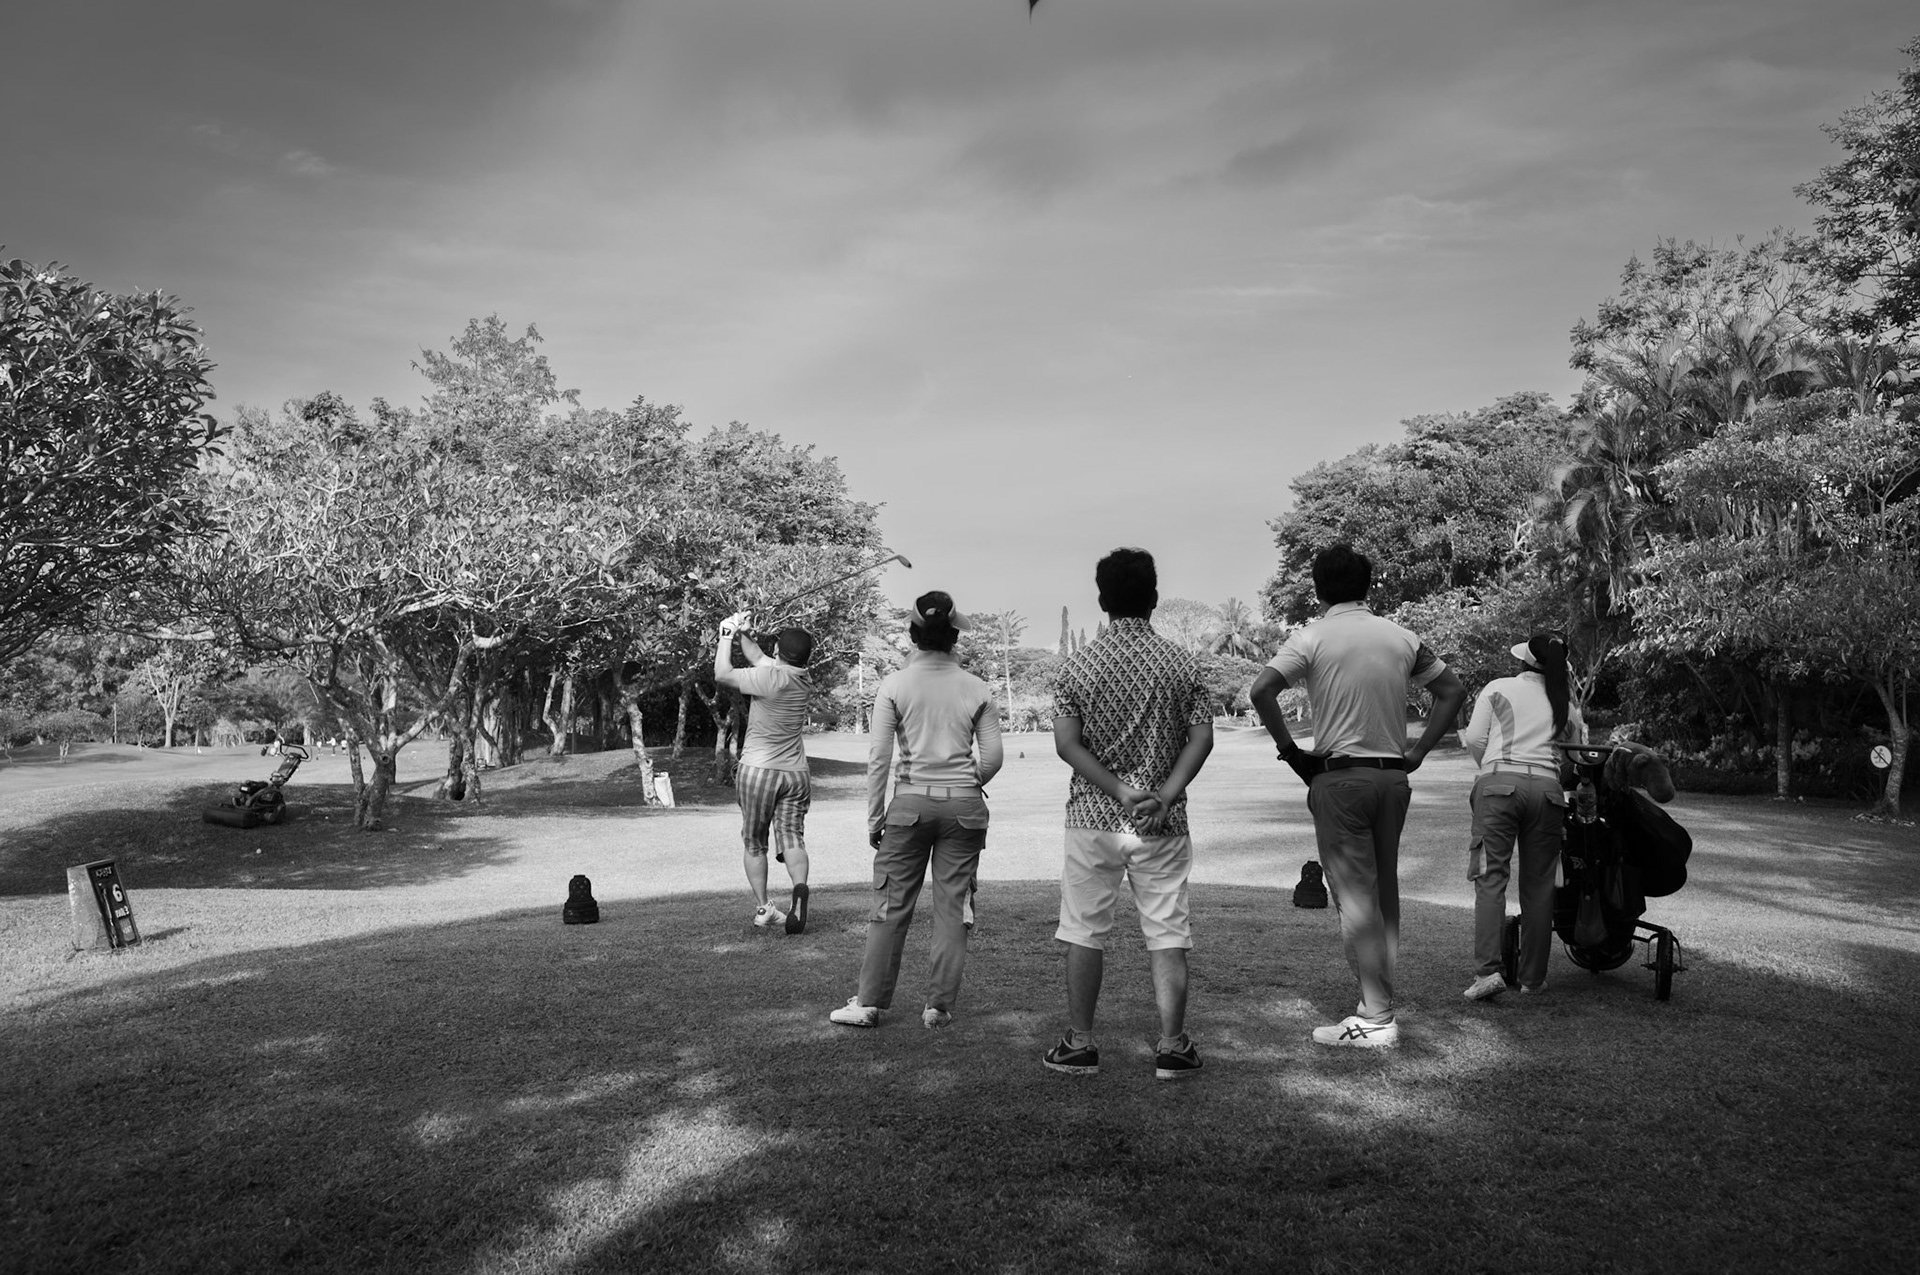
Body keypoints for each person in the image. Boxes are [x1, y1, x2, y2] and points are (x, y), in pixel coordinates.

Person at [1248, 544, 1467, 1048]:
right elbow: (1452, 691)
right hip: (1392, 779)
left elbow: (1262, 691)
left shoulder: (1311, 637)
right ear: (1367, 585)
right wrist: (1418, 753)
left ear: (1319, 589)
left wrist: (1291, 752)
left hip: (1340, 780)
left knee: (1355, 900)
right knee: (1382, 893)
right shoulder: (1403, 637)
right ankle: (1379, 1004)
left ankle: (1376, 1016)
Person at [1044, 548, 1214, 1081]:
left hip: (1093, 818)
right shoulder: (1182, 664)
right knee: (1167, 931)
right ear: (1154, 598)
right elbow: (1201, 738)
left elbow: (1067, 745)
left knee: (1082, 929)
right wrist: (1163, 795)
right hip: (1162, 822)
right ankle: (1172, 1047)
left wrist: (1120, 791)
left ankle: (1080, 1044)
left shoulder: (1076, 666)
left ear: (1103, 600)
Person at [830, 592, 1004, 1029]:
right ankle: (938, 1007)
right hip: (965, 807)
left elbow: (879, 758)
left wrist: (876, 818)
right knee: (953, 908)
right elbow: (993, 758)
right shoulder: (977, 687)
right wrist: (967, 783)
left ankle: (869, 1002)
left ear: (913, 634)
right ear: (954, 636)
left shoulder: (894, 685)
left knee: (890, 904)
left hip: (908, 806)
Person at [1460, 632, 1585, 999]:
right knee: (1540, 885)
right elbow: (1575, 756)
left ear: (1524, 660)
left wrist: (1490, 768)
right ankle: (1532, 979)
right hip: (1548, 792)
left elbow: (1475, 739)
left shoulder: (1498, 688)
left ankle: (1488, 973)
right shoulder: (1565, 704)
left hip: (1499, 786)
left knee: (1490, 878)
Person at [713, 610, 816, 933]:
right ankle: (799, 889)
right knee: (792, 837)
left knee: (755, 842)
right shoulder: (802, 678)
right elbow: (758, 657)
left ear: (778, 651)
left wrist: (726, 635)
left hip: (759, 770)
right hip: (795, 774)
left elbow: (723, 673)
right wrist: (744, 632)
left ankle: (764, 908)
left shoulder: (769, 679)